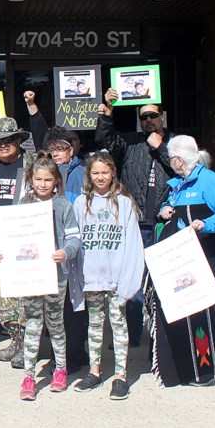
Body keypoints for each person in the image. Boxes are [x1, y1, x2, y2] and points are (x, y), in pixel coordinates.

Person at [149, 135, 215, 387]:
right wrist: (164, 209)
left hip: (210, 257)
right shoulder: (176, 184)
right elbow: (169, 208)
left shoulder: (211, 181)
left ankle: (204, 371)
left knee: (205, 311)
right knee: (182, 311)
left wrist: (206, 224)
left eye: (170, 158)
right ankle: (180, 370)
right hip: (182, 260)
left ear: (178, 159)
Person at [96, 90, 173, 345]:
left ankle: (161, 334)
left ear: (162, 117)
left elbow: (184, 168)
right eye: (143, 117)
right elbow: (105, 139)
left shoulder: (175, 143)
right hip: (136, 225)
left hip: (167, 225)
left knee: (163, 281)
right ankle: (131, 334)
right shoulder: (130, 142)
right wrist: (108, 109)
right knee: (131, 281)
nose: (148, 120)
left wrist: (160, 147)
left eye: (153, 115)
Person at [1, 155, 80, 400]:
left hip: (56, 275)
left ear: (56, 180)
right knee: (33, 321)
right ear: (30, 179)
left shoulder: (64, 205)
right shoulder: (23, 204)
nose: (43, 184)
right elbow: (12, 237)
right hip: (30, 275)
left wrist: (64, 253)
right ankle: (29, 376)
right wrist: (4, 255)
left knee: (56, 324)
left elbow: (75, 239)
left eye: (48, 179)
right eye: (38, 179)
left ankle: (60, 370)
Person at [71, 152, 145, 400]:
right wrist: (77, 279)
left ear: (112, 173)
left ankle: (120, 375)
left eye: (105, 172)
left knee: (118, 324)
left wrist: (128, 282)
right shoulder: (81, 203)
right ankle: (95, 370)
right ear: (88, 176)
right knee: (94, 325)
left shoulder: (123, 203)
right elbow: (76, 240)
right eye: (95, 173)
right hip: (91, 278)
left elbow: (133, 243)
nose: (100, 177)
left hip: (116, 278)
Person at [24, 91, 90, 370]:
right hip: (44, 252)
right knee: (52, 311)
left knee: (73, 309)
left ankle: (75, 356)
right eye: (52, 149)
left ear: (71, 150)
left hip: (71, 247)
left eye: (61, 148)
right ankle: (57, 355)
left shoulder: (83, 171)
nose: (56, 153)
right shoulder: (44, 176)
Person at [0, 118, 36, 361]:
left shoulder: (32, 164)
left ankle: (28, 346)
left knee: (27, 298)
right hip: (0, 243)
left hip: (27, 242)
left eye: (9, 140)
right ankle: (16, 340)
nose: (3, 145)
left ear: (19, 141)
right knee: (6, 298)